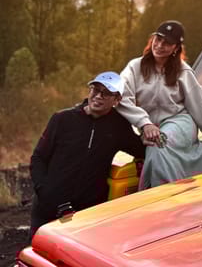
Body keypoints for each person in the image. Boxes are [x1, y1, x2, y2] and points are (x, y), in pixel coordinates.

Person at [117, 20, 202, 190]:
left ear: (176, 48)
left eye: (167, 43)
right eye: (158, 40)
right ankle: (155, 193)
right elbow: (121, 96)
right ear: (152, 40)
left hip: (180, 122)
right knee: (154, 143)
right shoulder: (135, 67)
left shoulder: (183, 71)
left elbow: (199, 106)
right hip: (150, 125)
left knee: (160, 142)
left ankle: (166, 193)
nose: (160, 45)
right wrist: (144, 123)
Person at [29, 72, 148, 238]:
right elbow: (38, 159)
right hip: (49, 208)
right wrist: (47, 195)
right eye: (95, 90)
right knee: (35, 258)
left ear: (117, 101)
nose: (98, 96)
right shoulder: (62, 119)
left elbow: (143, 150)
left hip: (87, 213)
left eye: (106, 93)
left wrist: (149, 126)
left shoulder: (118, 126)